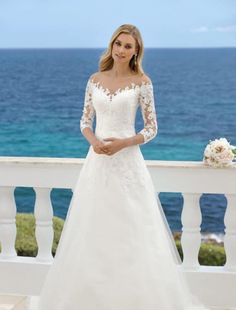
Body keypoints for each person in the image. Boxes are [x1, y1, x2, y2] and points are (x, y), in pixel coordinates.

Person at [27, 24, 211, 310]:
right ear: (111, 45)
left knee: (133, 231)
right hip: (97, 164)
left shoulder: (143, 82)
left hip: (128, 165)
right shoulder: (95, 79)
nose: (122, 50)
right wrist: (95, 143)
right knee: (92, 231)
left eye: (128, 46)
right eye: (118, 44)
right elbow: (84, 122)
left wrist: (123, 143)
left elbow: (152, 128)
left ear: (136, 51)